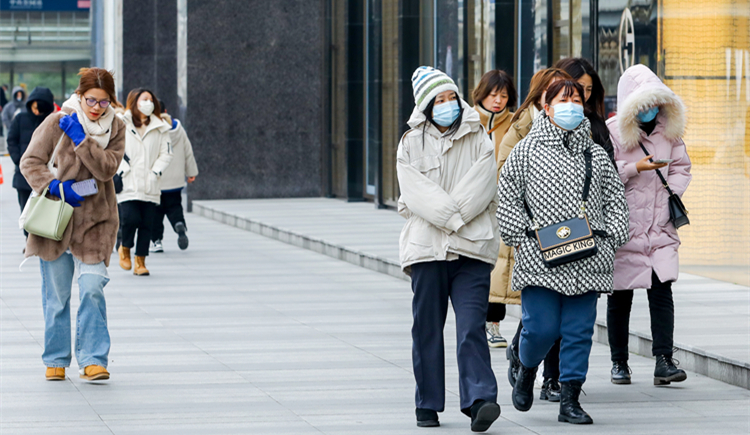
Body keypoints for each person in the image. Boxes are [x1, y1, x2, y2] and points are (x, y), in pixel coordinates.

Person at [497, 80, 629, 424]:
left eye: (575, 98)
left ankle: (570, 399)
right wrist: (522, 234)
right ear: (545, 105)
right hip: (540, 256)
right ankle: (526, 367)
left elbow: (615, 199)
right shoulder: (525, 151)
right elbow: (508, 196)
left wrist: (613, 233)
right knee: (540, 328)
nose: (570, 104)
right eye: (562, 98)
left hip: (588, 258)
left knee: (578, 331)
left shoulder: (595, 153)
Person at [397, 66, 501, 432]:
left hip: (472, 249)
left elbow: (482, 185)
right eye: (438, 101)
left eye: (450, 98)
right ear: (426, 106)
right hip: (427, 250)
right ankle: (427, 403)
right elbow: (415, 194)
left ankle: (480, 401)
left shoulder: (479, 138)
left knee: (471, 326)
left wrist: (453, 218)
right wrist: (453, 219)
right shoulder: (410, 143)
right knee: (426, 327)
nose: (446, 105)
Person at [20, 68, 125, 382]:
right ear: (80, 95)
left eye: (103, 103)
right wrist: (53, 187)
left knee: (93, 287)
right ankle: (56, 358)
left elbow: (107, 170)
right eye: (91, 100)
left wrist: (83, 140)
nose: (96, 108)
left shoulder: (116, 128)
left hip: (97, 222)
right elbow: (30, 162)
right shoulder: (57, 121)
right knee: (57, 295)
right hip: (55, 221)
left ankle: (93, 359)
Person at [606, 64, 691, 386]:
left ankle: (664, 360)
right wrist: (634, 168)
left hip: (660, 226)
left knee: (662, 290)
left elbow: (682, 167)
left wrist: (674, 191)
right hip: (624, 227)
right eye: (642, 104)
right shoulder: (613, 132)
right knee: (620, 297)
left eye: (655, 103)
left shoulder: (670, 130)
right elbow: (602, 175)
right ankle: (619, 362)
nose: (650, 110)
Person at [500, 67, 571, 402]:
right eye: (557, 93)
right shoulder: (520, 130)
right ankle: (523, 356)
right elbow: (504, 177)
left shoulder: (578, 132)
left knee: (560, 311)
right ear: (542, 96)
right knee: (540, 316)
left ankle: (552, 380)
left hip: (570, 234)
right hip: (533, 234)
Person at [471, 69, 517, 349]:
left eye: (503, 95)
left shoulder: (514, 124)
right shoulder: (466, 121)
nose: (497, 100)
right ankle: (475, 319)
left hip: (503, 205)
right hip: (474, 205)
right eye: (492, 94)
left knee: (500, 266)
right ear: (481, 94)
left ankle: (493, 323)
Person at [115, 89, 172, 276]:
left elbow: (166, 153)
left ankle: (140, 261)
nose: (148, 103)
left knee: (147, 223)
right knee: (130, 219)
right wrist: (123, 169)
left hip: (150, 183)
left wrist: (156, 171)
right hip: (128, 182)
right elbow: (113, 149)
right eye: (144, 99)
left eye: (151, 100)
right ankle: (125, 248)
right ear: (134, 102)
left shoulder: (161, 127)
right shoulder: (121, 123)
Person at [150, 100, 198, 253]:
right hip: (175, 181)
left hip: (156, 180)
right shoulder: (177, 128)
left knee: (155, 214)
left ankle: (157, 241)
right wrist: (191, 173)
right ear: (165, 109)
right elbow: (187, 151)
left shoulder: (150, 129)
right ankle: (179, 225)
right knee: (175, 207)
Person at [7, 87, 55, 237]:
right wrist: (19, 160)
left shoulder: (51, 121)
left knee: (42, 211)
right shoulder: (20, 118)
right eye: (35, 107)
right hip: (23, 175)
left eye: (40, 108)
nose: (36, 111)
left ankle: (39, 241)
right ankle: (29, 241)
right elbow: (11, 140)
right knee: (25, 212)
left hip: (45, 176)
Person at [555, 58, 614, 165]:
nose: (585, 95)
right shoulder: (544, 121)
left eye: (589, 89)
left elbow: (610, 168)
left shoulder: (596, 125)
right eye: (580, 87)